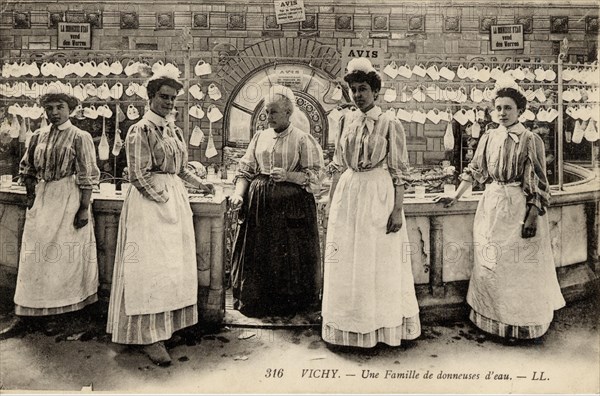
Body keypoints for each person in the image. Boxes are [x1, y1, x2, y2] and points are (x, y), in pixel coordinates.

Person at [435, 84, 565, 343]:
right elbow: (474, 171)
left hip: (518, 207)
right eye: (498, 108)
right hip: (491, 205)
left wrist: (531, 216)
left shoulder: (531, 140)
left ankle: (519, 326)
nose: (502, 113)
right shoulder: (488, 137)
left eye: (508, 108)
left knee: (516, 267)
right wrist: (455, 195)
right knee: (490, 265)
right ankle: (493, 322)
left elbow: (539, 182)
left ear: (520, 110)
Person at [106, 74, 214, 366]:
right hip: (149, 207)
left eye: (172, 98)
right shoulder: (140, 130)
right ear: (150, 97)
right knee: (150, 269)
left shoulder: (173, 130)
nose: (168, 102)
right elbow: (138, 174)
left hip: (173, 202)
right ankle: (148, 338)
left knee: (171, 266)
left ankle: (165, 330)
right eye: (163, 96)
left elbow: (179, 170)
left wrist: (200, 185)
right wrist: (162, 199)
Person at [321, 58, 421, 348]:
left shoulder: (390, 124)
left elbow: (399, 171)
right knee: (349, 260)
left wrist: (397, 210)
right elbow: (338, 165)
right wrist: (330, 201)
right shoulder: (345, 121)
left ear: (375, 91)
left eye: (363, 89)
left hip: (378, 192)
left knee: (376, 261)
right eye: (353, 90)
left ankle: (378, 326)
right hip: (350, 193)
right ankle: (350, 326)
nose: (358, 95)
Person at [230, 84, 324, 318]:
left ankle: (290, 305)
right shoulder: (260, 137)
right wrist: (239, 194)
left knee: (288, 253)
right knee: (261, 253)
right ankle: (258, 302)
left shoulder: (303, 139)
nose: (267, 116)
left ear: (288, 113)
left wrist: (289, 176)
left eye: (273, 112)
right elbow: (246, 170)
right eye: (266, 111)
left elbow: (315, 178)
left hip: (292, 208)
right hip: (260, 208)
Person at [12, 93, 100, 331]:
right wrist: (32, 196)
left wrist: (83, 208)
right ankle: (27, 314)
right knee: (34, 257)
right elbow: (27, 168)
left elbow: (88, 175)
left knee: (63, 258)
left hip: (68, 198)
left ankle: (62, 315)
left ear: (69, 109)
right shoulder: (37, 136)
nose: (54, 113)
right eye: (49, 108)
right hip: (43, 198)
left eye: (59, 107)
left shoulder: (80, 137)